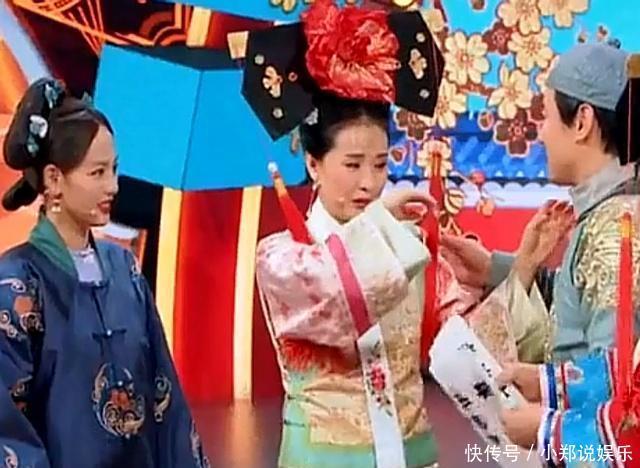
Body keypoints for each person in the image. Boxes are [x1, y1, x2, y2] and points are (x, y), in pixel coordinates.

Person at [0, 79, 209, 468]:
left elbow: (165, 399)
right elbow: (7, 428)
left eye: (114, 170)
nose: (112, 186)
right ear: (54, 179)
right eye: (96, 173)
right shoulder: (16, 286)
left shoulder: (124, 269)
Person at [442, 43, 640, 364]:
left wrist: (540, 384)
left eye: (546, 116)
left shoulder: (616, 226)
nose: (542, 134)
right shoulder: (608, 212)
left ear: (582, 122)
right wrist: (500, 268)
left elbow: (615, 374)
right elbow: (579, 303)